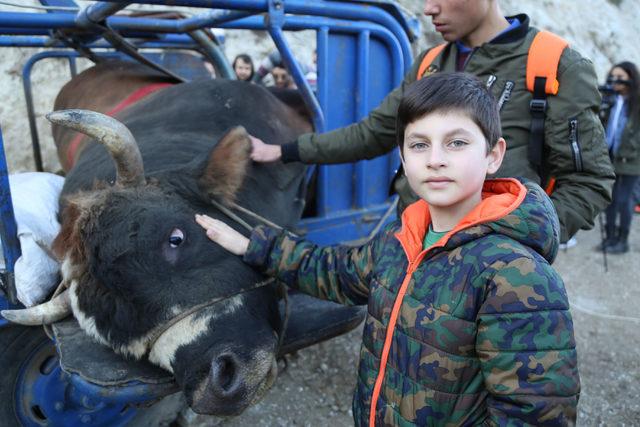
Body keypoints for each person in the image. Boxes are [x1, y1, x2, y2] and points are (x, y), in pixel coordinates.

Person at [196, 73, 580, 425]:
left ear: (493, 154)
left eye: (457, 142)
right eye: (419, 144)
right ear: (403, 158)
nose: (435, 159)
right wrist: (254, 245)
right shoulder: (401, 242)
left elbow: (535, 414)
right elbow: (336, 271)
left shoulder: (516, 276)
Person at [249, 0, 615, 245]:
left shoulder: (554, 65)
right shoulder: (430, 63)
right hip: (413, 244)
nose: (428, 8)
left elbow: (589, 181)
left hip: (493, 266)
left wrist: (527, 237)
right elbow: (372, 133)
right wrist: (285, 150)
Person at [598, 61, 640, 254]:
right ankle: (610, 236)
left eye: (621, 77)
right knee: (610, 200)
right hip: (610, 158)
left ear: (631, 78)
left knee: (625, 200)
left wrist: (631, 148)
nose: (615, 81)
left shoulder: (636, 102)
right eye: (613, 76)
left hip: (631, 162)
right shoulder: (611, 99)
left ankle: (623, 240)